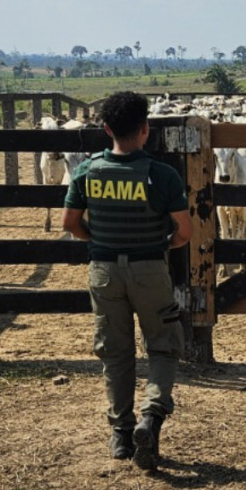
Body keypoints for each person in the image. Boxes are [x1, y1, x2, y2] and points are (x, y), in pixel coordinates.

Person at [61, 91, 192, 470]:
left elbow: (70, 225)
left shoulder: (87, 171)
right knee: (163, 346)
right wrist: (159, 244)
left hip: (103, 271)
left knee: (115, 351)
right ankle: (151, 418)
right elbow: (183, 232)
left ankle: (121, 433)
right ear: (145, 129)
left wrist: (99, 241)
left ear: (106, 129)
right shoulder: (162, 175)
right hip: (150, 268)